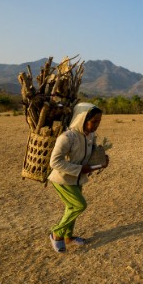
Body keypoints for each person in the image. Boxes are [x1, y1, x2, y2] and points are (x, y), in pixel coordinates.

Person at [47, 102, 109, 253]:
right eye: (94, 122)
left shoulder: (90, 136)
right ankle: (56, 233)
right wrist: (81, 169)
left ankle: (68, 237)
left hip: (77, 178)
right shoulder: (67, 137)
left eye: (99, 122)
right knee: (79, 205)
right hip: (62, 180)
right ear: (82, 119)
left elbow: (90, 154)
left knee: (71, 207)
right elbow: (54, 162)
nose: (96, 125)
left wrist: (102, 160)